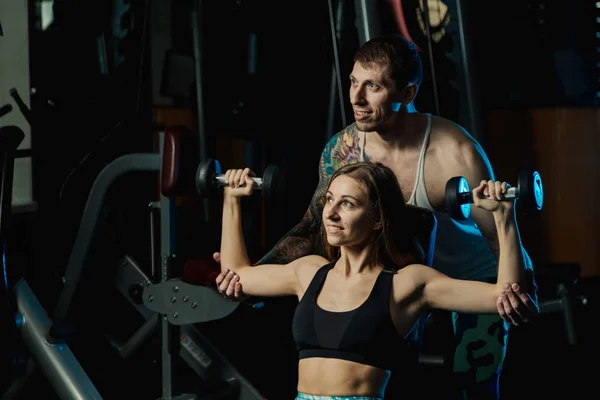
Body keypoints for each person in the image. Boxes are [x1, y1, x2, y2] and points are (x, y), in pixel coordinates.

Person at [215, 34, 539, 399]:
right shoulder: (343, 149)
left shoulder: (454, 152)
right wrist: (250, 277)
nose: (356, 98)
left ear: (407, 94)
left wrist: (518, 287)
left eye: (373, 86)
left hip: (470, 273)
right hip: (402, 272)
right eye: (354, 82)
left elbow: (497, 234)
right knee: (398, 376)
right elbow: (312, 225)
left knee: (473, 384)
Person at [219, 161, 529, 400]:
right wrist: (231, 199)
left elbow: (503, 297)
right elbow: (238, 274)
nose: (330, 214)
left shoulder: (406, 284)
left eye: (348, 204)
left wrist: (504, 218)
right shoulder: (308, 272)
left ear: (377, 218)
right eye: (329, 200)